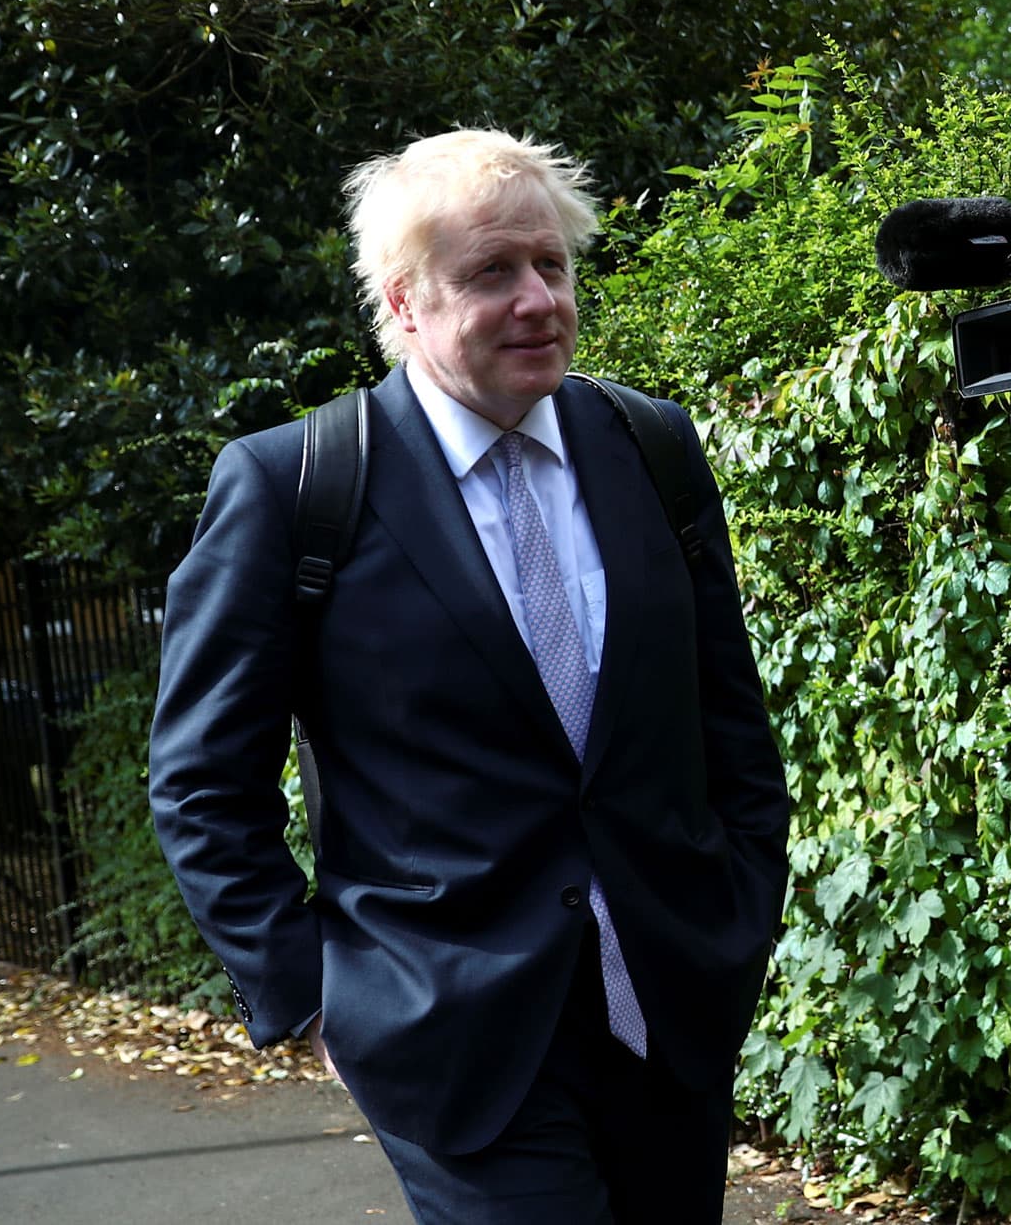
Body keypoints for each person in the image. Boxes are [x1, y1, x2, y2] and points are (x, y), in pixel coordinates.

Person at [150, 129, 791, 1222]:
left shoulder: (652, 446)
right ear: (402, 303)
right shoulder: (293, 486)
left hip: (667, 1007)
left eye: (551, 264)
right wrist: (313, 998)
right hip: (448, 1034)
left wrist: (738, 908)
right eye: (492, 272)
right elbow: (203, 782)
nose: (539, 298)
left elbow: (728, 715)